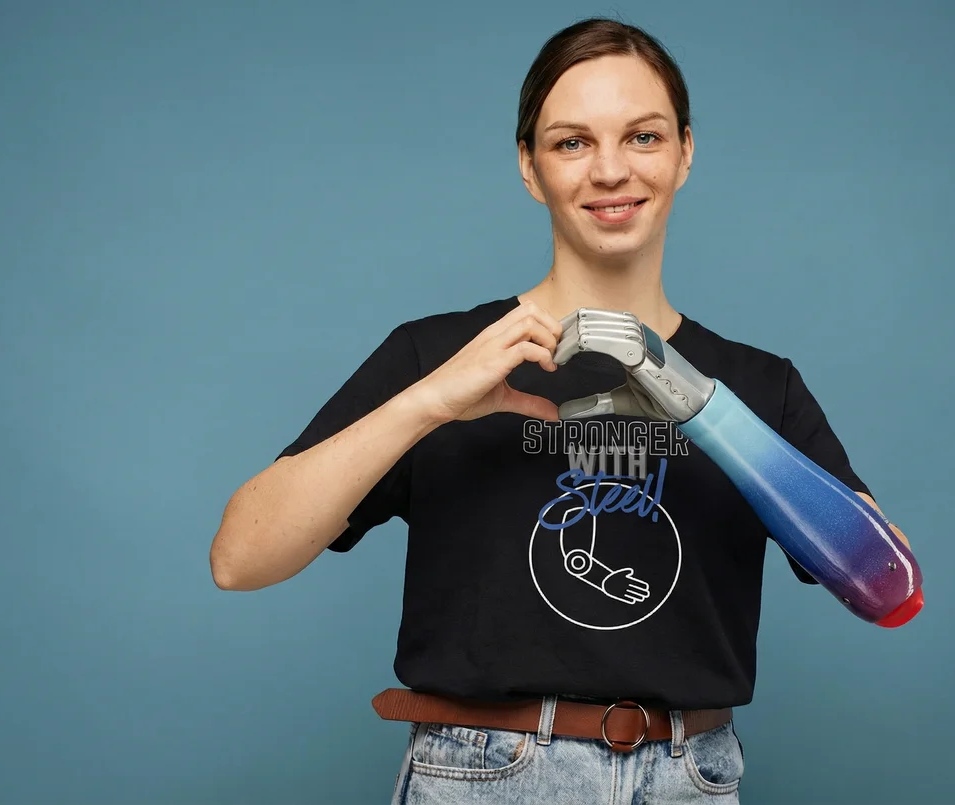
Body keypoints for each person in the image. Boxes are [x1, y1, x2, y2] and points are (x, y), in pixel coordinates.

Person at [209, 16, 912, 804]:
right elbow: (240, 558)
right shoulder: (437, 357)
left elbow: (887, 586)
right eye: (572, 142)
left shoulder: (757, 387)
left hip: (690, 778)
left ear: (685, 152)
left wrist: (703, 406)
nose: (610, 170)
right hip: (485, 776)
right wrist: (429, 403)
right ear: (529, 166)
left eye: (642, 136)